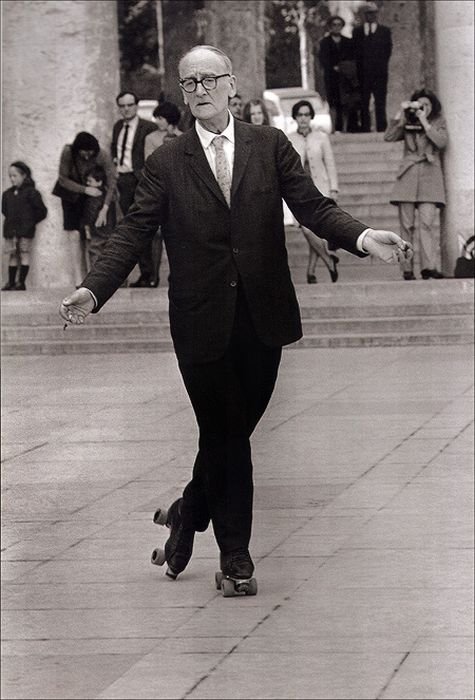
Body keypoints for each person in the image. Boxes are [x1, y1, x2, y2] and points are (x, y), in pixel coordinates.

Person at [60, 45, 412, 593]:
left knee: (228, 433)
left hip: (262, 316)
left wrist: (363, 236)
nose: (197, 90)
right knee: (229, 434)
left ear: (231, 86)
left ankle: (185, 514)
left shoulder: (269, 146)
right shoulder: (166, 162)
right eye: (188, 83)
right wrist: (93, 287)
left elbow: (312, 206)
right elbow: (132, 232)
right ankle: (237, 557)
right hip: (200, 321)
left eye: (207, 80)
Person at [384, 88, 447, 280]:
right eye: (419, 105)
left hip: (430, 177)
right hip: (408, 176)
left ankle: (429, 267)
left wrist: (425, 122)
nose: (423, 108)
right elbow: (389, 137)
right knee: (406, 226)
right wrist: (399, 115)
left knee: (427, 224)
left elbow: (442, 142)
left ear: (432, 106)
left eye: (426, 105)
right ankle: (407, 268)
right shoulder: (407, 121)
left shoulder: (437, 122)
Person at [54, 131, 116, 287]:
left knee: (92, 238)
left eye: (90, 154)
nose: (87, 157)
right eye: (84, 153)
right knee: (75, 237)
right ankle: (79, 279)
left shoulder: (102, 154)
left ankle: (92, 276)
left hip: (92, 200)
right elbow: (63, 179)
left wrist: (105, 208)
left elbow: (112, 181)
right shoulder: (68, 152)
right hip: (72, 198)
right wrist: (84, 189)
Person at [288, 100, 340, 283]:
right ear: (295, 117)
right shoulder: (289, 138)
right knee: (307, 229)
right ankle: (328, 259)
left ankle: (310, 272)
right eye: (300, 115)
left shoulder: (321, 137)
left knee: (315, 231)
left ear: (311, 116)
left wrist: (334, 188)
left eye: (306, 114)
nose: (303, 118)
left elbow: (330, 164)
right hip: (298, 193)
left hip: (321, 190)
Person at [111, 91, 157, 287]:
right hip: (122, 180)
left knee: (146, 226)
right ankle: (142, 274)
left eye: (129, 105)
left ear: (137, 106)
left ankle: (151, 274)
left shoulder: (149, 127)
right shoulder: (117, 127)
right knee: (130, 229)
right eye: (122, 106)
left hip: (140, 180)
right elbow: (116, 148)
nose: (126, 109)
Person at [144, 101, 184, 287]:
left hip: (181, 193)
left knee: (178, 235)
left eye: (160, 118)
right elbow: (150, 164)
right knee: (156, 235)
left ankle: (176, 274)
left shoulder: (183, 137)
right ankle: (153, 275)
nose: (157, 121)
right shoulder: (151, 138)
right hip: (160, 191)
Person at [2, 161, 47, 290]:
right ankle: (11, 282)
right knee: (12, 254)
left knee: (24, 253)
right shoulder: (7, 194)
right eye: (10, 176)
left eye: (15, 175)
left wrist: (30, 222)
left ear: (24, 176)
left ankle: (21, 283)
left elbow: (42, 211)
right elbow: (5, 210)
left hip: (25, 231)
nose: (12, 178)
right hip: (11, 230)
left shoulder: (31, 193)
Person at [352, 1, 392, 132]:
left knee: (380, 100)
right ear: (365, 15)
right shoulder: (357, 32)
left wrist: (380, 66)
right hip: (363, 73)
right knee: (364, 101)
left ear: (377, 15)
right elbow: (356, 52)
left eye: (373, 13)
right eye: (368, 14)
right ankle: (365, 127)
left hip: (379, 73)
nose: (371, 16)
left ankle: (382, 127)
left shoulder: (384, 31)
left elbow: (387, 51)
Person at [318, 15, 358, 133]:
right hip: (331, 78)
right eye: (334, 25)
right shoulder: (324, 42)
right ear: (330, 27)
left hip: (345, 78)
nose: (336, 27)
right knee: (333, 103)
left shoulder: (348, 42)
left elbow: (352, 58)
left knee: (346, 103)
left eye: (339, 25)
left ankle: (345, 128)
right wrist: (332, 67)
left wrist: (344, 68)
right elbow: (323, 59)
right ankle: (334, 128)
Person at [80, 165, 116, 269]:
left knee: (95, 253)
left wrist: (86, 227)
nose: (87, 184)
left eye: (90, 181)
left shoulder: (92, 199)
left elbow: (90, 215)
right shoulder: (109, 199)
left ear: (99, 182)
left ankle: (96, 280)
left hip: (97, 232)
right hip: (109, 232)